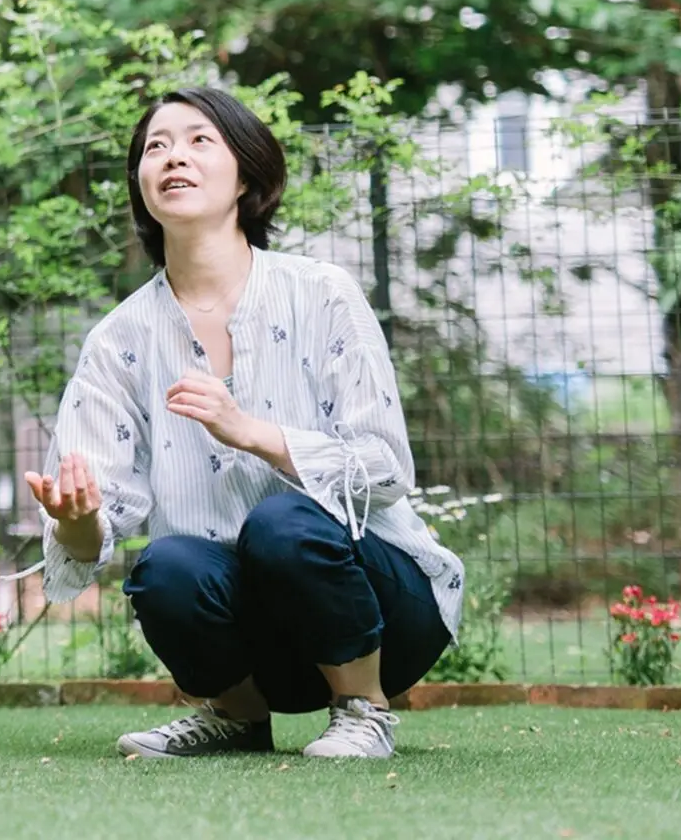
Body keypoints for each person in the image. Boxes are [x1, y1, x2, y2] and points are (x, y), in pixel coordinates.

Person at [24, 88, 462, 760]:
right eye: (156, 146)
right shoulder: (119, 340)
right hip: (253, 641)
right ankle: (236, 716)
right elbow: (94, 527)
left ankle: (364, 710)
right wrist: (76, 517)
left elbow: (384, 465)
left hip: (382, 613)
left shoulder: (322, 292)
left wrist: (251, 431)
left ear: (247, 176)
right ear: (141, 184)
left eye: (200, 140)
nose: (174, 156)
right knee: (164, 564)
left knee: (282, 524)